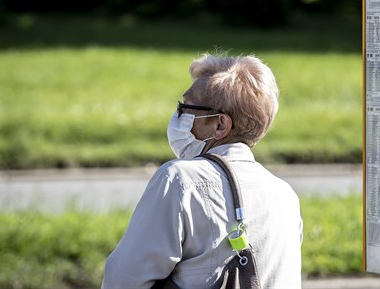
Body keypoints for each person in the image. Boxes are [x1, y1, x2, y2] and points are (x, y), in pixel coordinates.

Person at [102, 53, 303, 288]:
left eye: (186, 107)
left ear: (220, 125)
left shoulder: (179, 180)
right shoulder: (285, 195)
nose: (178, 116)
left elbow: (123, 280)